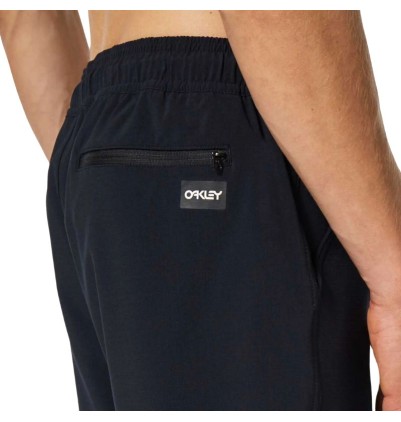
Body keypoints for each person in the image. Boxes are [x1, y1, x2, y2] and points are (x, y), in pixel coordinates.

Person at [0, 10, 400, 411]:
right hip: (228, 113)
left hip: (98, 141)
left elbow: (24, 15)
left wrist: (109, 183)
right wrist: (394, 281)